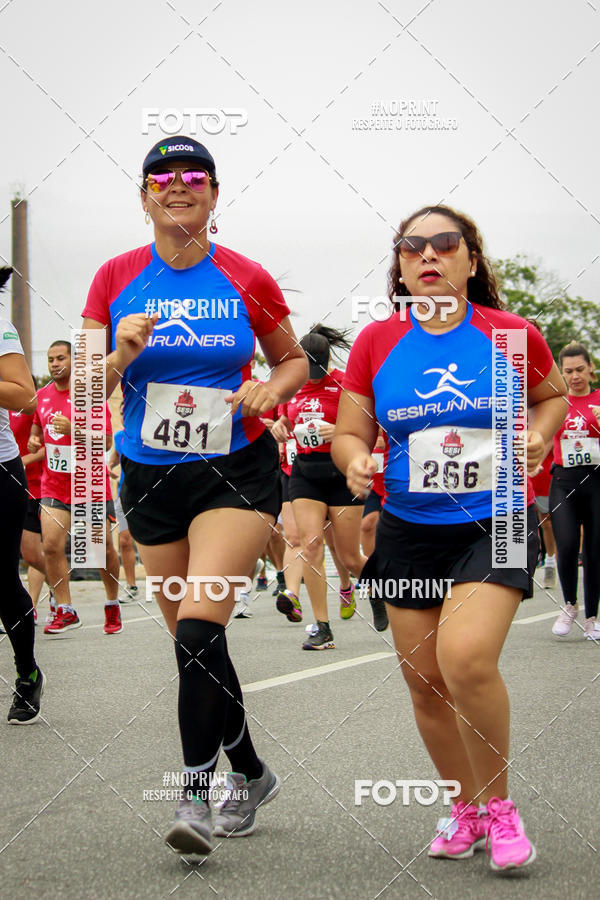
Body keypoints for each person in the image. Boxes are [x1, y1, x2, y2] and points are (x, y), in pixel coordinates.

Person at [81, 135, 307, 855]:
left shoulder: (245, 275)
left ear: (214, 192)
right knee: (194, 645)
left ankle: (194, 796)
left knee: (201, 629)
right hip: (150, 477)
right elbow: (86, 394)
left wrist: (270, 387)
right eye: (162, 176)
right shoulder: (114, 277)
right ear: (143, 193)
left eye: (193, 176)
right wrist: (119, 353)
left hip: (234, 469)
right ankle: (250, 771)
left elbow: (293, 359)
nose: (177, 185)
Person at [332, 205, 567, 871]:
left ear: (470, 259)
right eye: (412, 247)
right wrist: (354, 458)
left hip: (498, 516)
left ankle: (500, 808)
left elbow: (550, 397)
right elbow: (352, 429)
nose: (428, 254)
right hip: (409, 526)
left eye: (444, 243)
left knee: (465, 660)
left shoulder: (512, 333)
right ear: (401, 267)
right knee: (427, 683)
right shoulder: (378, 342)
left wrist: (542, 433)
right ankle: (464, 808)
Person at [272, 325, 367, 649]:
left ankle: (382, 595)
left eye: (317, 371)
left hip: (340, 473)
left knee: (351, 556)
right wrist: (281, 427)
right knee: (310, 543)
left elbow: (370, 426)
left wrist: (338, 430)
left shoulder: (344, 383)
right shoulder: (292, 385)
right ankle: (321, 627)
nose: (312, 377)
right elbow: (282, 418)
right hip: (305, 472)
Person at [28, 341, 123, 635]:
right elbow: (37, 429)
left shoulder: (90, 396)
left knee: (102, 551)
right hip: (53, 485)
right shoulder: (41, 396)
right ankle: (66, 609)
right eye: (50, 359)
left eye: (60, 358)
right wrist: (34, 440)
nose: (55, 364)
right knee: (51, 545)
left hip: (89, 484)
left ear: (73, 361)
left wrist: (75, 431)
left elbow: (107, 442)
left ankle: (112, 602)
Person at [0, 266, 45, 724]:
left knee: (2, 582)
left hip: (0, 469)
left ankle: (27, 673)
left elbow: (24, 396)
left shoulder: (0, 328)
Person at [549, 342, 600, 640]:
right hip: (564, 480)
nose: (575, 376)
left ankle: (592, 617)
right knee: (566, 544)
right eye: (568, 371)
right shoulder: (557, 401)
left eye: (580, 369)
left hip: (596, 481)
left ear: (591, 368)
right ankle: (570, 605)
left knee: (594, 550)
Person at [9, 406, 55, 621]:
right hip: (9, 486)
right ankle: (52, 591)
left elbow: (51, 444)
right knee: (30, 554)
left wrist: (22, 461)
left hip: (37, 487)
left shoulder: (30, 409)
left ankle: (34, 605)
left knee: (34, 554)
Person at [108, 424, 139, 601]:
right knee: (125, 541)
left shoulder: (146, 434)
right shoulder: (119, 436)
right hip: (124, 495)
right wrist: (110, 466)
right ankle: (132, 586)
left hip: (147, 495)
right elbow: (115, 457)